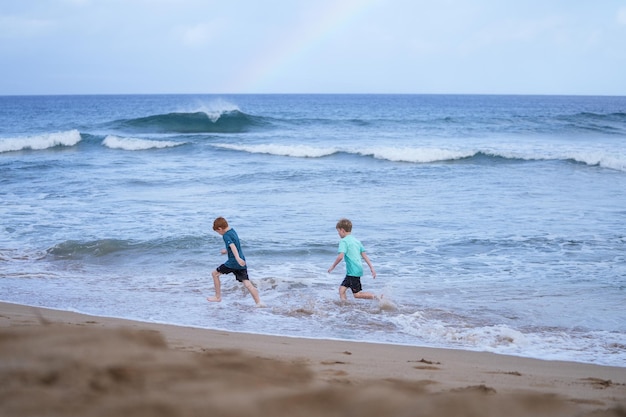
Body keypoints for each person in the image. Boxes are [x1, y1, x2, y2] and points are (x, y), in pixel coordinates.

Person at [207, 217, 261, 306]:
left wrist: (237, 258)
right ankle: (259, 303)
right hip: (241, 262)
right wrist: (227, 250)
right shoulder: (232, 231)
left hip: (233, 262)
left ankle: (217, 297)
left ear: (220, 229)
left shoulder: (226, 235)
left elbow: (232, 246)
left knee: (215, 274)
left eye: (218, 232)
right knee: (247, 284)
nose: (219, 234)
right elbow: (235, 245)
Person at [327, 218, 377, 300]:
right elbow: (364, 255)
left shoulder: (344, 241)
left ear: (342, 230)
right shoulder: (356, 241)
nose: (338, 234)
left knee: (357, 294)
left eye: (338, 231)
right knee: (341, 290)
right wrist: (372, 268)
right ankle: (345, 306)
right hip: (355, 270)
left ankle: (376, 297)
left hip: (353, 272)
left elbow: (340, 256)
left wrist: (332, 267)